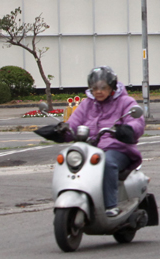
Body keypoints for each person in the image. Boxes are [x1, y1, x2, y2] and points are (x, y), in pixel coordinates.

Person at [59, 67, 146, 218]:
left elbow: (136, 121)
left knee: (107, 163)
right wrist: (59, 131)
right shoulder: (87, 104)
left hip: (118, 149)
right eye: (94, 88)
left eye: (103, 87)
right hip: (89, 149)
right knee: (67, 159)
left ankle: (111, 206)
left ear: (112, 87)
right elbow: (73, 124)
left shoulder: (126, 102)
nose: (98, 91)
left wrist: (127, 130)